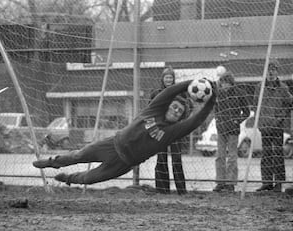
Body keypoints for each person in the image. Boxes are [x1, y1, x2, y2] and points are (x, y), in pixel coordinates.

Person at [33, 80, 216, 186]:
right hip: (111, 145)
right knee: (78, 155)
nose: (176, 111)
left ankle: (68, 179)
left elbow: (195, 121)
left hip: (123, 163)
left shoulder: (171, 132)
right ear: (168, 105)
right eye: (175, 107)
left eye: (180, 113)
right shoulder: (153, 111)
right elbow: (168, 92)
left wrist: (212, 98)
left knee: (89, 179)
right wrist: (189, 84)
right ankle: (52, 162)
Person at [253, 59, 293, 192]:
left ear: (277, 71)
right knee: (266, 154)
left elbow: (289, 104)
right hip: (264, 126)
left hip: (277, 126)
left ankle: (279, 183)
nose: (271, 72)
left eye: (273, 69)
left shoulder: (283, 88)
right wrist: (259, 121)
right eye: (269, 69)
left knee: (277, 154)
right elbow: (255, 105)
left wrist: (280, 117)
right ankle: (267, 182)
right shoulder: (259, 87)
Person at [151, 67, 192, 195]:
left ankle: (181, 190)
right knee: (161, 158)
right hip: (160, 130)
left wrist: (182, 124)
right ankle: (162, 189)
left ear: (173, 79)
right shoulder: (156, 94)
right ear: (162, 79)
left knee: (176, 159)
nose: (168, 79)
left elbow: (186, 110)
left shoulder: (180, 93)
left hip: (175, 130)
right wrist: (152, 128)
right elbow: (150, 111)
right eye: (166, 77)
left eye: (170, 77)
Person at [213, 71, 250, 192]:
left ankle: (230, 183)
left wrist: (236, 121)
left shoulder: (240, 94)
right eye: (222, 83)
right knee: (220, 156)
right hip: (221, 129)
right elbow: (215, 109)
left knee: (232, 156)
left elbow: (247, 112)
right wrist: (218, 120)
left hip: (233, 130)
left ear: (231, 83)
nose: (224, 85)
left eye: (227, 83)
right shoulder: (218, 94)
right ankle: (220, 182)